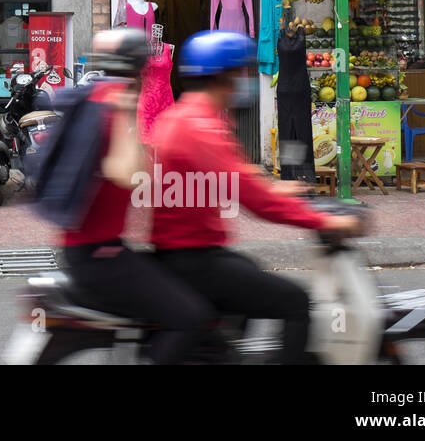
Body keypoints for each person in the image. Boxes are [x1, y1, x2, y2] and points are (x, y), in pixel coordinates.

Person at [148, 30, 362, 364]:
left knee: (248, 271)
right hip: (193, 259)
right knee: (294, 302)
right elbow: (256, 201)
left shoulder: (184, 117)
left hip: (186, 252)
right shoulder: (201, 128)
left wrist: (277, 187)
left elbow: (235, 176)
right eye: (241, 72)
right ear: (224, 76)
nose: (245, 81)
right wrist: (325, 220)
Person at [60, 28, 217, 365]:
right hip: (100, 256)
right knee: (191, 316)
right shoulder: (114, 104)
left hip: (94, 249)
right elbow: (127, 174)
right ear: (139, 69)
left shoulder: (96, 96)